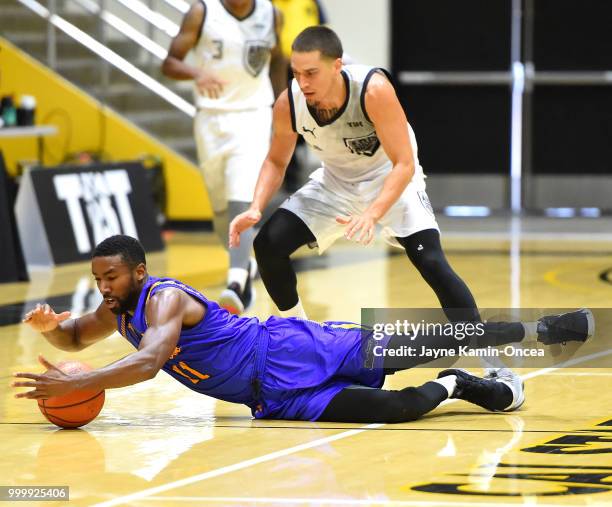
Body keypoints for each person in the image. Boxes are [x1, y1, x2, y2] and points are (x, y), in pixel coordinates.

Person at [13, 235, 594, 423]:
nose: (103, 286)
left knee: (431, 339)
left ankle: (543, 329)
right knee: (398, 412)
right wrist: (49, 331)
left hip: (291, 348)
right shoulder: (115, 311)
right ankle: (459, 385)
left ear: (138, 271)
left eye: (110, 276)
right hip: (275, 398)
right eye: (97, 278)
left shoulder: (162, 299)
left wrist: (74, 388)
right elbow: (73, 339)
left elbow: (146, 363)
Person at [228, 26, 479, 324]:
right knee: (267, 245)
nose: (302, 82)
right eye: (296, 73)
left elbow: (404, 164)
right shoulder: (288, 103)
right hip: (335, 183)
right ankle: (301, 335)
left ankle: (490, 362)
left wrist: (372, 214)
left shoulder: (374, 90)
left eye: (311, 73)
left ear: (337, 66)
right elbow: (275, 160)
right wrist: (256, 206)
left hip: (390, 178)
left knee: (431, 261)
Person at [161, 0, 286, 315]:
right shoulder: (201, 13)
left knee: (240, 196)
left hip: (255, 115)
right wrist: (195, 73)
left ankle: (235, 284)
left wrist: (285, 108)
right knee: (220, 209)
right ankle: (246, 265)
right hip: (212, 119)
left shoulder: (272, 14)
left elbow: (279, 61)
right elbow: (169, 63)